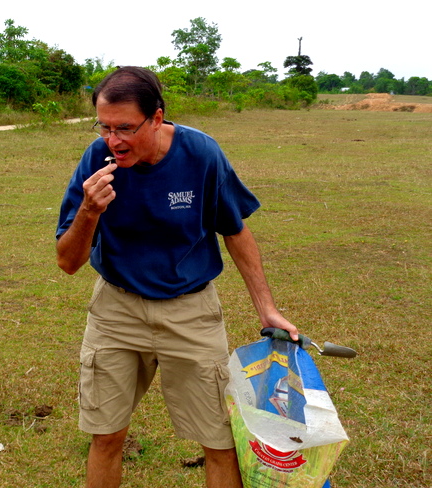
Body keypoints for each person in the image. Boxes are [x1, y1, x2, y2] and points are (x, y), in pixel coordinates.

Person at [55, 66, 299, 488]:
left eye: (126, 128)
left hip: (191, 310)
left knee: (219, 441)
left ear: (156, 117)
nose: (114, 140)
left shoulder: (201, 154)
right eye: (105, 127)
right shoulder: (98, 158)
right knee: (106, 435)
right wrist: (90, 211)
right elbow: (67, 261)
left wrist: (268, 309)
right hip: (116, 312)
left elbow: (235, 230)